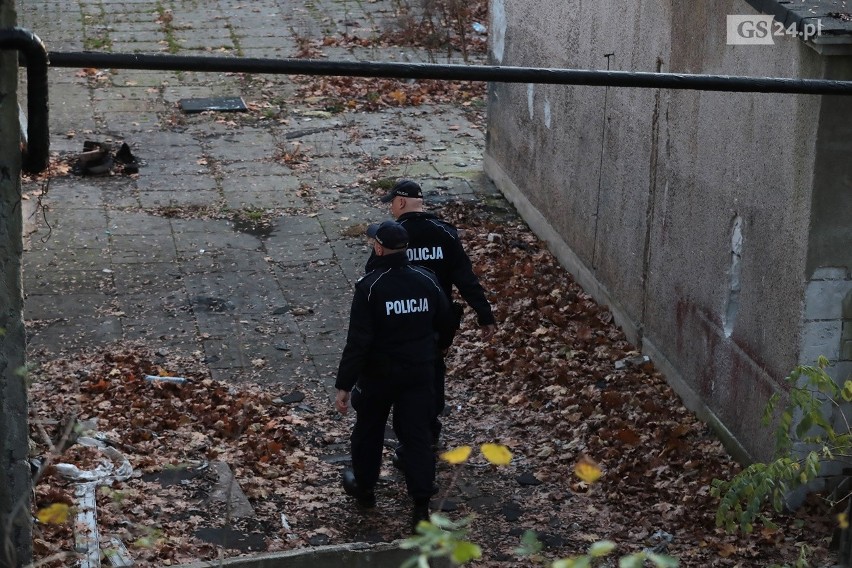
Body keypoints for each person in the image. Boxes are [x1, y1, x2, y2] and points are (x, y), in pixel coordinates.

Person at [335, 220, 454, 532]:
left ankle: (365, 488)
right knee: (417, 437)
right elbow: (446, 318)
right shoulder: (426, 280)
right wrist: (436, 350)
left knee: (369, 431)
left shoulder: (370, 287)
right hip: (418, 372)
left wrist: (344, 384)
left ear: (378, 248)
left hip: (378, 376)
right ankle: (420, 508)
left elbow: (358, 341)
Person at [368, 178, 497, 451]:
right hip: (437, 323)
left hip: (398, 321)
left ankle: (411, 439)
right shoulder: (445, 233)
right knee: (433, 376)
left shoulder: (392, 235)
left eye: (392, 203)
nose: (391, 209)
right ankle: (429, 429)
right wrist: (484, 314)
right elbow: (466, 278)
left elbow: (372, 278)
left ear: (400, 202)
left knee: (400, 381)